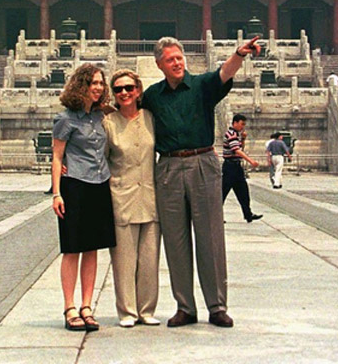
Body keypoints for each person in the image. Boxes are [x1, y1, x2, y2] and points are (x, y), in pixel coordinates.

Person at [141, 34, 260, 329]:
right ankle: (185, 306)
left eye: (179, 57)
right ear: (160, 65)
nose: (177, 63)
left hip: (203, 162)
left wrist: (239, 55)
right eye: (170, 59)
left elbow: (224, 73)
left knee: (210, 237)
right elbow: (128, 108)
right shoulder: (153, 96)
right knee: (176, 240)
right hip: (168, 166)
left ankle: (217, 305)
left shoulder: (201, 87)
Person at [51, 63, 116, 332]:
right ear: (81, 85)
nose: (98, 87)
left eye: (101, 83)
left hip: (100, 183)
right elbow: (56, 156)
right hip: (74, 185)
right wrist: (56, 193)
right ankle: (69, 306)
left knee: (92, 247)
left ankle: (87, 306)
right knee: (72, 248)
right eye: (93, 83)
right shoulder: (66, 118)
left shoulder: (102, 116)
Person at [102, 69, 161, 328]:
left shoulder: (151, 118)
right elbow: (100, 160)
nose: (124, 93)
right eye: (118, 89)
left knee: (149, 259)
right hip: (121, 196)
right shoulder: (108, 123)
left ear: (138, 90)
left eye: (129, 88)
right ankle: (127, 311)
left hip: (150, 195)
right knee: (124, 261)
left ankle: (147, 309)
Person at [222, 114, 263, 222]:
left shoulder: (237, 135)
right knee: (223, 192)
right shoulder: (230, 134)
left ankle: (248, 214)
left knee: (243, 191)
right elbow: (237, 150)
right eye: (242, 124)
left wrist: (243, 139)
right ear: (235, 123)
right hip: (230, 167)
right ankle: (216, 215)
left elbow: (240, 148)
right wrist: (250, 161)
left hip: (236, 166)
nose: (243, 127)